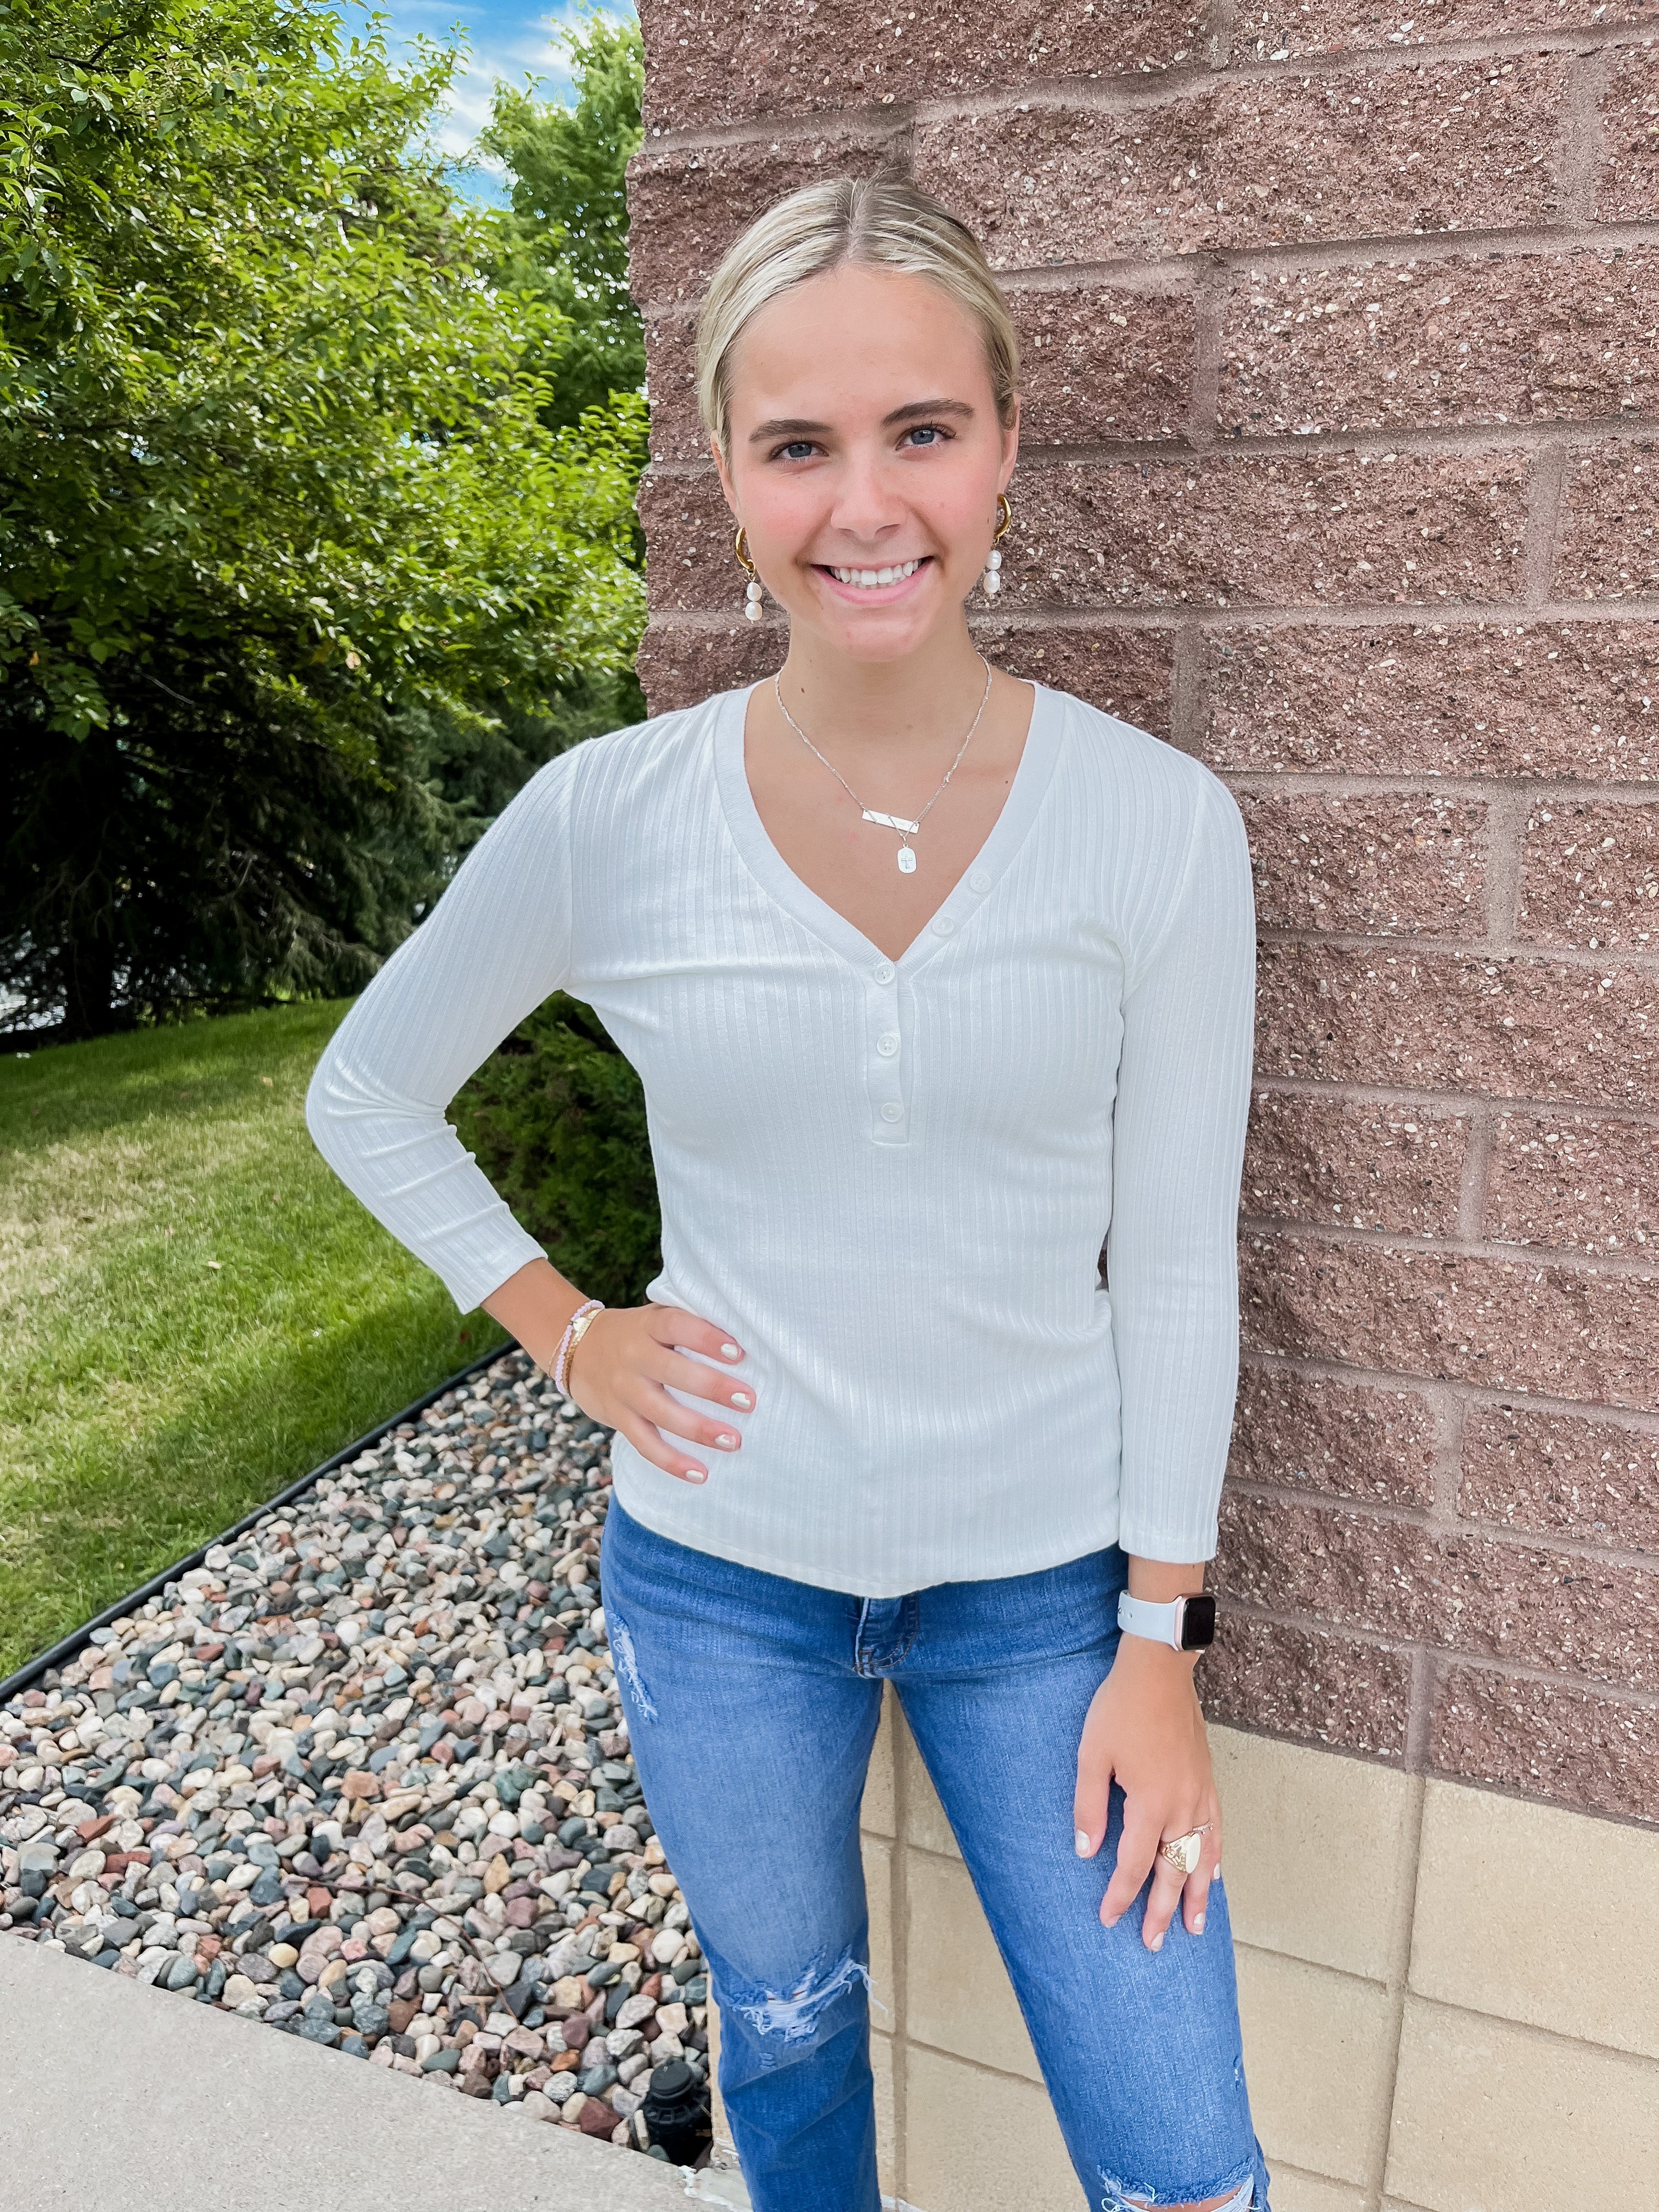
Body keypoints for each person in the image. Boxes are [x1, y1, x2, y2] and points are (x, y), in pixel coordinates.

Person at [306, 174, 1269, 2212]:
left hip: (1052, 1606)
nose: (866, 503)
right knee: (791, 2029)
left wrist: (1163, 1643)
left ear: (1005, 446)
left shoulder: (1160, 826)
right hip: (721, 1582)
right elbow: (367, 1089)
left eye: (921, 430)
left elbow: (1183, 1262)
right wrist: (569, 1333)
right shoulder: (612, 816)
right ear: (728, 475)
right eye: (798, 445)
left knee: (1186, 2164)